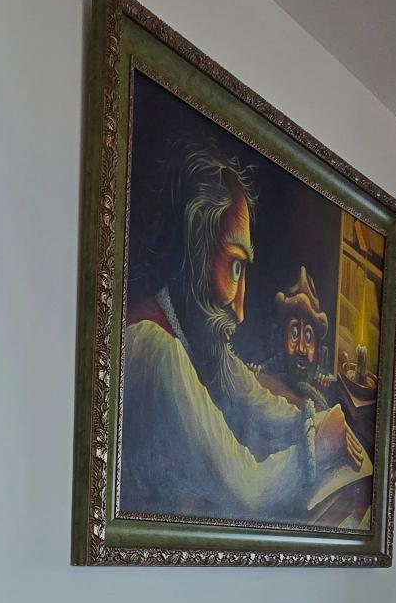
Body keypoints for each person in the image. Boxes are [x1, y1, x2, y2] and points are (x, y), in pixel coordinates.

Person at [119, 148, 361, 521]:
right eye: (234, 267)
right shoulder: (154, 350)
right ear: (193, 256)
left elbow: (256, 404)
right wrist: (319, 446)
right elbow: (247, 491)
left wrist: (317, 421)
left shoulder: (197, 337)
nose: (240, 309)